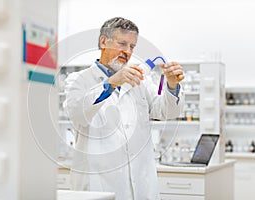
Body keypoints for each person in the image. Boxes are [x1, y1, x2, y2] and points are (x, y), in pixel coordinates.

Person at [63, 17, 185, 200]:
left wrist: (172, 85)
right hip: (99, 185)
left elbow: (167, 111)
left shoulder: (141, 81)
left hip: (142, 184)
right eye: (122, 44)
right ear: (103, 41)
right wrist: (111, 83)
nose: (127, 52)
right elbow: (78, 114)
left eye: (132, 46)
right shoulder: (78, 80)